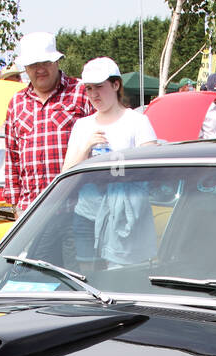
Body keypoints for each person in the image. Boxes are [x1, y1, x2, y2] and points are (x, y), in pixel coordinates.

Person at [61, 57, 158, 271]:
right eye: (88, 89)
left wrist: (115, 164)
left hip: (125, 218)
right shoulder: (82, 126)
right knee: (89, 281)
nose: (94, 95)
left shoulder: (137, 122)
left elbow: (150, 171)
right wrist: (86, 148)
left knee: (121, 280)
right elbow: (66, 173)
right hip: (87, 215)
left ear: (116, 85)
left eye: (99, 87)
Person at [2, 31, 92, 215]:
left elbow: (101, 146)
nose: (40, 69)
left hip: (75, 207)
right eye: (34, 64)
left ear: (57, 62)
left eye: (45, 63)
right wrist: (15, 205)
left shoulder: (81, 92)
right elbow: (12, 156)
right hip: (31, 211)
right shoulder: (17, 102)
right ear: (26, 68)